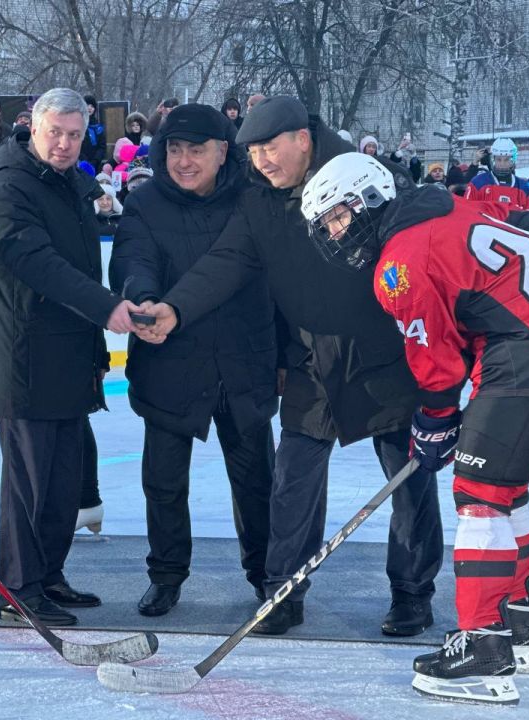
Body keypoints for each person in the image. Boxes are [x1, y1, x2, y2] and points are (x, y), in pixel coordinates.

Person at [300, 151, 529, 705]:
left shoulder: (400, 262)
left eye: (338, 216)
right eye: (326, 224)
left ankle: (482, 649)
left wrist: (435, 420)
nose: (334, 232)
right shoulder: (436, 207)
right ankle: (518, 630)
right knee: (506, 489)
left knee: (480, 495)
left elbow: (436, 358)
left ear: (370, 199)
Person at [134, 96, 443, 636]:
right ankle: (284, 591)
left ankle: (412, 593)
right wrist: (175, 308)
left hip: (382, 358)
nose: (261, 161)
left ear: (302, 139)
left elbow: (422, 228)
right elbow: (226, 262)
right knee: (293, 481)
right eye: (252, 151)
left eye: (270, 148)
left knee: (406, 480)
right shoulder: (257, 200)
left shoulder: (363, 174)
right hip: (309, 358)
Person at [0, 87, 147, 627]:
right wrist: (107, 311)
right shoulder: (9, 188)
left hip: (70, 358)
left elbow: (83, 267)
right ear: (33, 127)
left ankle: (48, 575)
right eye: (57, 133)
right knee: (29, 482)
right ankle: (19, 590)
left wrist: (95, 345)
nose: (66, 144)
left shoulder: (71, 186)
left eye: (76, 135)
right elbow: (39, 264)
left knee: (62, 479)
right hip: (25, 358)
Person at [110, 103, 277, 616]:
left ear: (223, 151)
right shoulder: (145, 205)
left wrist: (290, 358)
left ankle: (266, 575)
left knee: (255, 480)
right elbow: (132, 259)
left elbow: (279, 283)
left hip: (242, 362)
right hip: (170, 361)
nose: (184, 161)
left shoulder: (255, 201)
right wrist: (140, 298)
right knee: (163, 481)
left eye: (196, 150)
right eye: (175, 149)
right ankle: (166, 575)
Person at [464, 138, 529, 207]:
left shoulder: (524, 187)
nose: (502, 164)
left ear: (512, 161)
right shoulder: (477, 183)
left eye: (506, 159)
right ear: (493, 159)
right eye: (499, 159)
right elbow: (467, 210)